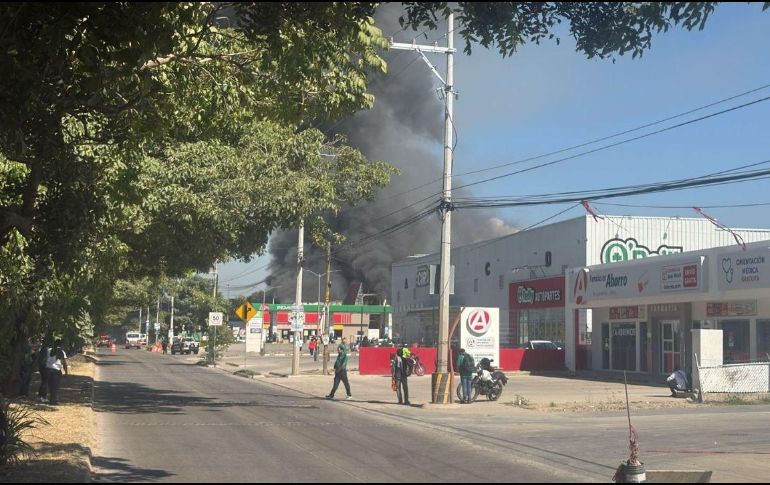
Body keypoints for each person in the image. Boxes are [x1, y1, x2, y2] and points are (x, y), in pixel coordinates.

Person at [46, 339, 68, 405]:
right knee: (55, 386)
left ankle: (51, 399)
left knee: (50, 386)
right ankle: (53, 401)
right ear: (61, 345)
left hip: (48, 369)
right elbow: (64, 363)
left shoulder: (49, 350)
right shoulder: (61, 352)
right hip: (56, 370)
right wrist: (66, 372)